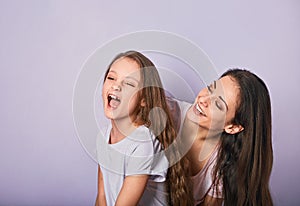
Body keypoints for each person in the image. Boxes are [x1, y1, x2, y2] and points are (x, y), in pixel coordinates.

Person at [95, 51, 193, 206]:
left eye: (129, 84)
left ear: (143, 100)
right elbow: (102, 198)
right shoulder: (103, 137)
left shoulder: (142, 143)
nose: (116, 86)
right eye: (111, 78)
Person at [172, 69, 273, 205]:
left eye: (218, 104)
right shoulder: (167, 113)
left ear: (233, 127)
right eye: (211, 89)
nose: (203, 100)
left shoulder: (223, 162)